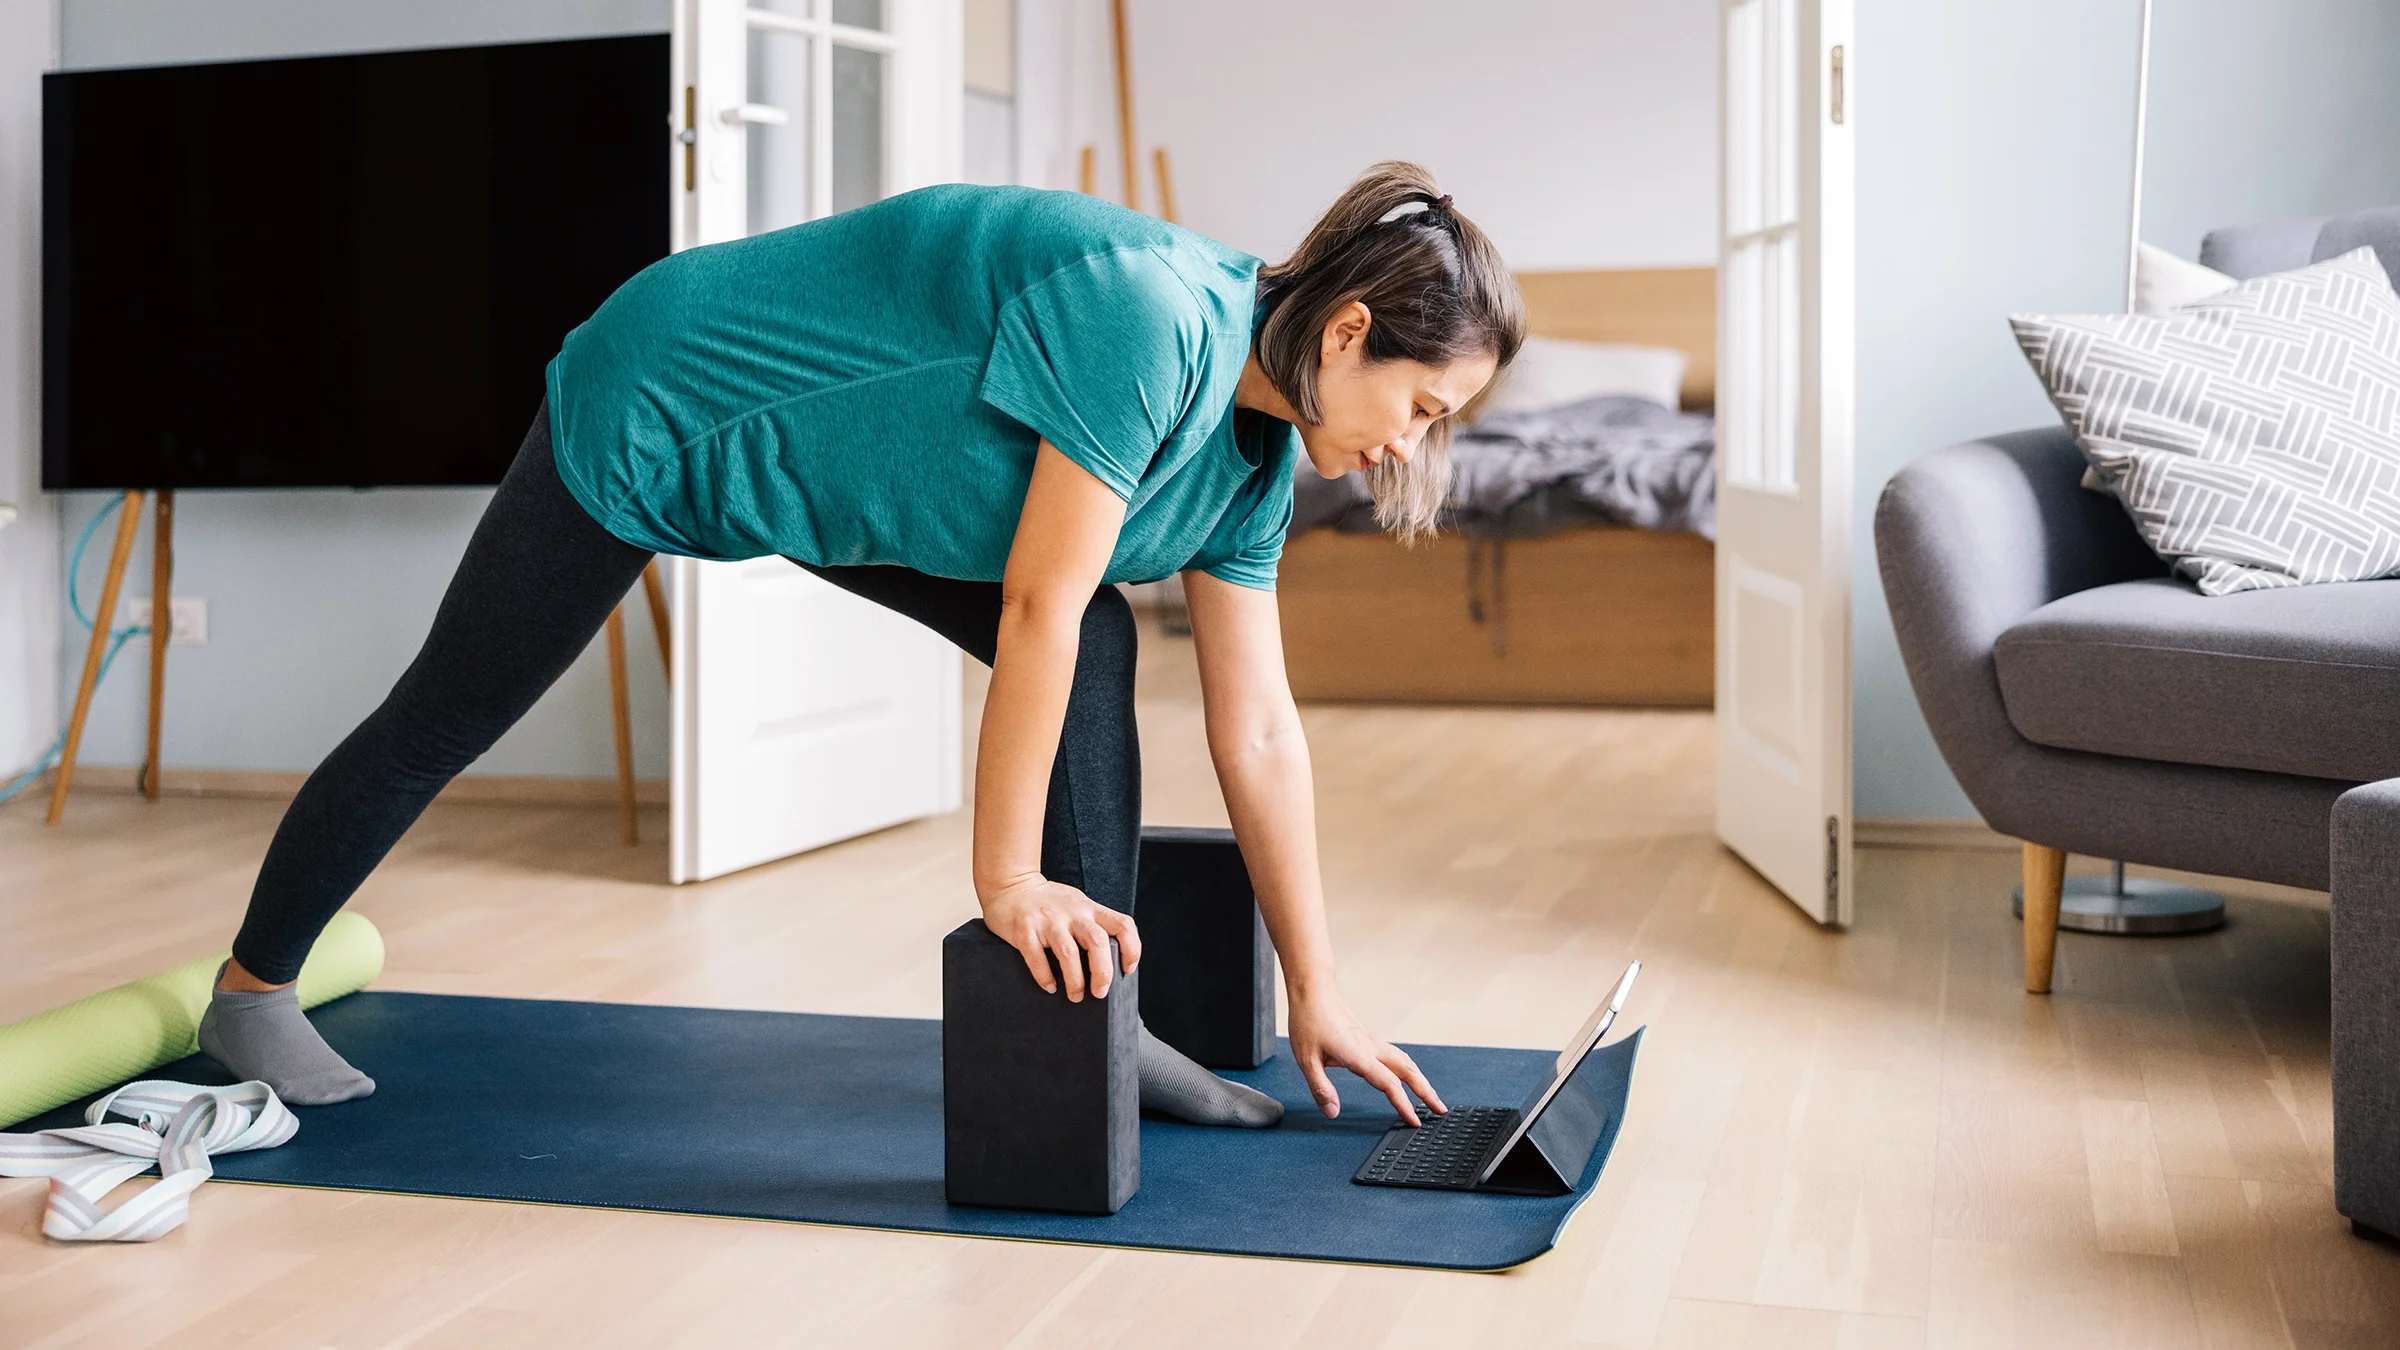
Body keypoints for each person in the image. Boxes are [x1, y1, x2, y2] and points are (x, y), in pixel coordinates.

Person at [196, 160, 1523, 1131]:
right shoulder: (1157, 320)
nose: (1411, 443)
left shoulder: (1253, 468)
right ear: (1346, 332)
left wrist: (1321, 986)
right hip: (679, 390)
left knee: (1109, 643)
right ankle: (253, 988)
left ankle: (1104, 1029)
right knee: (451, 712)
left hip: (838, 474)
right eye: (1419, 404)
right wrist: (1007, 878)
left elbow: (1259, 725)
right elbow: (1034, 609)